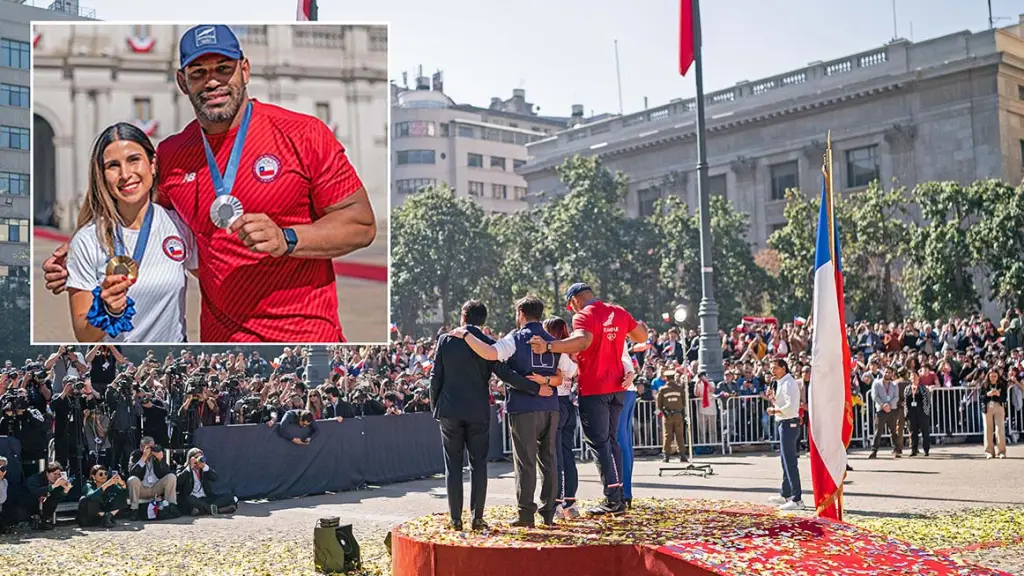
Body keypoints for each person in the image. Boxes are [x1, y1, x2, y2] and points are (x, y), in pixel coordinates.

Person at [42, 24, 377, 342]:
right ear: (182, 82)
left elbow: (361, 224)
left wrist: (287, 238)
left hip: (304, 335)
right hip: (220, 337)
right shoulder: (172, 154)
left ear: (244, 70)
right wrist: (85, 250)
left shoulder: (302, 133)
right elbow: (138, 212)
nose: (212, 81)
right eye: (198, 73)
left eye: (223, 68)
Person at [64, 122, 198, 342]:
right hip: (119, 360)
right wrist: (108, 311)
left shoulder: (179, 226)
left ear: (152, 164)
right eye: (113, 165)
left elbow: (218, 284)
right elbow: (83, 334)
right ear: (102, 175)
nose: (125, 174)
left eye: (134, 160)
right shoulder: (87, 240)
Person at [430, 300, 550, 531]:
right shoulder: (487, 343)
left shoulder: (445, 340)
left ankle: (455, 519)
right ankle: (477, 517)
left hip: (449, 410)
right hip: (477, 411)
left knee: (453, 466)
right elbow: (506, 374)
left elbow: (436, 377)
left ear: (463, 316)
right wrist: (536, 387)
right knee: (478, 465)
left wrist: (436, 407)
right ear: (483, 320)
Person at [529, 283, 648, 516]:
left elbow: (582, 341)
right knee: (612, 441)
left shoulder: (584, 316)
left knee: (599, 443)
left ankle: (612, 499)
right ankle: (619, 495)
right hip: (617, 387)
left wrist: (549, 346)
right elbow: (641, 336)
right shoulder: (618, 312)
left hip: (595, 387)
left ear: (575, 300)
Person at [450, 296, 569, 527]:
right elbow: (568, 372)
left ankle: (526, 514)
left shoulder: (516, 338)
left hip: (524, 408)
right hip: (551, 407)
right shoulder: (552, 341)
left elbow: (490, 353)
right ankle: (548, 513)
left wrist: (465, 335)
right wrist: (546, 380)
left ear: (521, 313)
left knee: (525, 462)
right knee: (550, 459)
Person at [542, 317, 581, 519]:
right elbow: (574, 371)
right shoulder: (568, 353)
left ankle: (557, 503)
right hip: (567, 404)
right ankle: (570, 502)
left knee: (555, 455)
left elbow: (571, 370)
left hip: (557, 404)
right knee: (567, 455)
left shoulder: (554, 353)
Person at [766, 358, 803, 511]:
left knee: (790, 462)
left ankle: (797, 498)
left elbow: (791, 407)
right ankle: (786, 493)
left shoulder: (789, 383)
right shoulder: (781, 382)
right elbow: (783, 404)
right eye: (771, 368)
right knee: (784, 460)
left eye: (775, 368)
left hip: (789, 423)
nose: (772, 371)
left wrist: (773, 410)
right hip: (784, 423)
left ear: (784, 368)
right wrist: (773, 400)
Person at [127, 437, 178, 520]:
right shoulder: (135, 454)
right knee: (132, 479)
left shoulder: (159, 453)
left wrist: (160, 459)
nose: (150, 450)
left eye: (152, 447)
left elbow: (166, 472)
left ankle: (171, 507)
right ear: (141, 447)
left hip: (156, 487)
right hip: (142, 488)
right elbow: (132, 473)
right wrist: (143, 458)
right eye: (147, 448)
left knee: (171, 477)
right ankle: (134, 510)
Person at [176, 448, 237, 516]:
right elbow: (178, 481)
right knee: (189, 499)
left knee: (230, 496)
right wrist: (189, 467)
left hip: (205, 498)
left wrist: (205, 467)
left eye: (200, 457)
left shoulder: (204, 469)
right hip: (193, 499)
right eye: (196, 457)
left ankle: (202, 510)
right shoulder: (182, 468)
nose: (198, 460)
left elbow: (215, 478)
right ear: (190, 458)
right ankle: (216, 510)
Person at [615, 342, 638, 509]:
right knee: (625, 441)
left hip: (622, 389)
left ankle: (623, 491)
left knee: (620, 440)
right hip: (628, 390)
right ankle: (626, 490)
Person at [26, 462, 72, 530]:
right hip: (28, 503)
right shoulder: (35, 479)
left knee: (52, 500)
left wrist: (66, 490)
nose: (56, 476)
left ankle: (45, 521)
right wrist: (53, 486)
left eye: (59, 474)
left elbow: (57, 498)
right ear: (47, 473)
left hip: (43, 506)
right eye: (54, 474)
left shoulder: (56, 482)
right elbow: (36, 492)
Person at [869, 368, 902, 459]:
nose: (887, 374)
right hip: (881, 409)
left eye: (889, 373)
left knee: (893, 431)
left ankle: (896, 450)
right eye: (886, 372)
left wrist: (890, 405)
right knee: (878, 431)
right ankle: (874, 451)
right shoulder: (876, 383)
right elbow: (874, 396)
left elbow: (896, 397)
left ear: (892, 374)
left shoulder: (894, 385)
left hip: (892, 409)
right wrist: (883, 405)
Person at [656, 372, 687, 462]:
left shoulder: (662, 389)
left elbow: (658, 406)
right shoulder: (680, 389)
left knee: (667, 436)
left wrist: (660, 416)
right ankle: (682, 455)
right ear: (673, 377)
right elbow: (684, 403)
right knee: (680, 436)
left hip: (667, 416)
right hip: (678, 415)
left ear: (666, 378)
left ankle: (666, 456)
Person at [981, 369, 1008, 459]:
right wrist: (987, 395)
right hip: (987, 406)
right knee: (988, 428)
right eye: (991, 376)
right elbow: (981, 397)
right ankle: (988, 451)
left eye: (995, 376)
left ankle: (1001, 451)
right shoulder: (984, 384)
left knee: (999, 428)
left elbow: (1005, 398)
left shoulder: (1002, 384)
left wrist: (999, 394)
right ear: (988, 376)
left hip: (998, 406)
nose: (993, 378)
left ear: (998, 377)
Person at [904, 371, 932, 457]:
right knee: (913, 432)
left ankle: (926, 450)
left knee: (925, 432)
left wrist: (926, 412)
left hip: (922, 413)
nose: (913, 378)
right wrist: (906, 414)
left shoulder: (923, 388)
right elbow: (905, 402)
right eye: (912, 376)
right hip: (912, 414)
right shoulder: (907, 389)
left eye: (915, 376)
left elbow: (927, 400)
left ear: (918, 377)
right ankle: (914, 450)